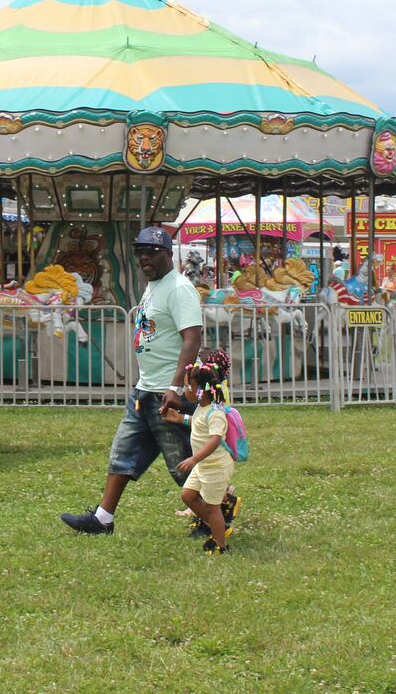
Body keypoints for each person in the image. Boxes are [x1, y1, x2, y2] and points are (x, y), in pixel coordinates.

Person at [60, 227, 239, 535]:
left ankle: (219, 510)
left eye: (152, 251)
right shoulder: (154, 286)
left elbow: (192, 339)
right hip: (145, 390)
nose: (145, 257)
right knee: (122, 453)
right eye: (140, 251)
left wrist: (173, 386)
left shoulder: (180, 288)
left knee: (183, 463)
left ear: (169, 254)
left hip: (168, 391)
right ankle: (103, 518)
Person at [163, 351, 237, 554]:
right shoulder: (201, 409)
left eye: (187, 386)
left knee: (213, 508)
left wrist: (194, 458)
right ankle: (219, 526)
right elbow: (197, 424)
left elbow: (214, 440)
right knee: (188, 495)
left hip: (215, 467)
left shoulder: (216, 412)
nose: (184, 390)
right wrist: (178, 418)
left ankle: (221, 545)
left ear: (199, 391)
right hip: (203, 466)